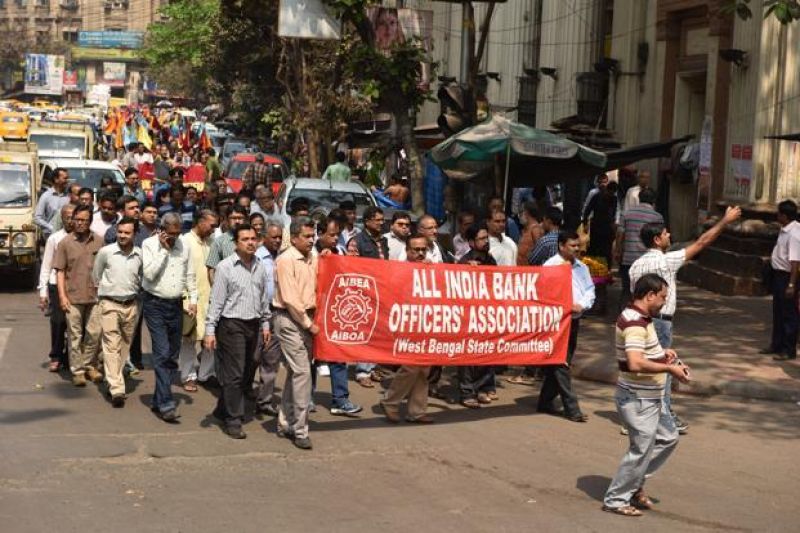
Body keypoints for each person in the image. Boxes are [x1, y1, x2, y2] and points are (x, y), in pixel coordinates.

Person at [629, 206, 742, 434]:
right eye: (666, 233)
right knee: (664, 370)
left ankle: (639, 416)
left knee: (646, 369)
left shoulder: (635, 266)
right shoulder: (667, 261)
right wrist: (725, 221)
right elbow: (701, 243)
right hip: (660, 323)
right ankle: (665, 417)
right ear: (657, 239)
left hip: (641, 321)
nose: (670, 236)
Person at [602, 274, 690, 517]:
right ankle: (617, 498)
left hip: (651, 397)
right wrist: (669, 368)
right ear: (650, 295)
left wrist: (663, 354)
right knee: (640, 449)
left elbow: (643, 353)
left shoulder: (642, 318)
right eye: (663, 297)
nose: (665, 302)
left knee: (669, 437)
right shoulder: (634, 323)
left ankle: (634, 482)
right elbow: (635, 362)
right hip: (638, 399)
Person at [204, 224, 271, 439]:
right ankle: (233, 419)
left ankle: (222, 408)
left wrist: (266, 324)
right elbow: (216, 301)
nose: (251, 242)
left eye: (253, 238)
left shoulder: (259, 265)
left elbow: (263, 298)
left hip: (253, 325)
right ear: (236, 243)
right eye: (245, 239)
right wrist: (210, 330)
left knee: (248, 369)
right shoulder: (225, 267)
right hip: (231, 325)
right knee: (234, 374)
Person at [142, 212, 197, 423]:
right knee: (162, 352)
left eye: (177, 233)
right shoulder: (149, 245)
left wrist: (193, 299)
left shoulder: (184, 246)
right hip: (154, 304)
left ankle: (158, 398)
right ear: (162, 229)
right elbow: (149, 275)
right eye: (170, 233)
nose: (174, 238)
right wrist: (164, 251)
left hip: (176, 305)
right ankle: (166, 404)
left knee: (172, 356)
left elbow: (189, 274)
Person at [538, 230, 595, 422]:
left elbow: (589, 290)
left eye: (578, 245)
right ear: (561, 246)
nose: (577, 249)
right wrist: (564, 305)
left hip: (574, 320)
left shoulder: (581, 267)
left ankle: (545, 400)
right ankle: (572, 408)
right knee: (560, 363)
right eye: (573, 245)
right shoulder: (550, 266)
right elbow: (544, 294)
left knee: (563, 361)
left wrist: (582, 304)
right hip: (557, 322)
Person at [273, 217, 319, 450]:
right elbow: (290, 298)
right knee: (302, 373)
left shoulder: (314, 257)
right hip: (290, 319)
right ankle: (300, 430)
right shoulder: (285, 260)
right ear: (294, 238)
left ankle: (285, 422)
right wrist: (308, 324)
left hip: (307, 318)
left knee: (296, 373)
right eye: (307, 236)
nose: (312, 240)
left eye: (313, 236)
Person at [380, 233, 435, 424]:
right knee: (411, 366)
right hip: (407, 325)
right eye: (416, 250)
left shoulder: (431, 268)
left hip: (427, 324)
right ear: (407, 251)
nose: (420, 253)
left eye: (423, 249)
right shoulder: (399, 270)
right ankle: (391, 401)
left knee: (423, 369)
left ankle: (417, 411)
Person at [312, 217, 363, 416]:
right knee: (311, 358)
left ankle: (340, 400)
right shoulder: (312, 253)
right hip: (314, 312)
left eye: (337, 235)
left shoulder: (340, 252)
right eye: (331, 235)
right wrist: (321, 262)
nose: (335, 239)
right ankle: (307, 398)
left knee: (338, 355)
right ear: (321, 234)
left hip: (335, 313)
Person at [92, 217, 142, 408]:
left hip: (131, 305)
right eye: (120, 232)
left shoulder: (140, 255)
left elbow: (142, 277)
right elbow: (96, 275)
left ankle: (112, 377)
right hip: (109, 303)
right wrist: (104, 296)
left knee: (124, 345)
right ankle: (117, 389)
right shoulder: (106, 252)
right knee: (111, 345)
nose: (122, 235)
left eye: (127, 233)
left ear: (134, 234)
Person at [53, 204, 104, 387]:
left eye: (85, 220)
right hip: (72, 297)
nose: (81, 223)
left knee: (94, 333)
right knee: (75, 336)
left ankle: (90, 366)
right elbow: (59, 272)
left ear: (90, 221)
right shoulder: (65, 243)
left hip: (95, 296)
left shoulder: (99, 241)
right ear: (73, 220)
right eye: (78, 219)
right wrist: (62, 296)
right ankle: (78, 371)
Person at [457, 224, 499, 408]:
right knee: (467, 355)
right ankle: (467, 392)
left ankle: (482, 388)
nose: (486, 241)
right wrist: (468, 270)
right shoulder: (464, 262)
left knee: (486, 352)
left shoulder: (490, 260)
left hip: (487, 314)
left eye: (486, 238)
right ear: (471, 242)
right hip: (468, 316)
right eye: (481, 239)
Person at [178, 210, 219, 392]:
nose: (214, 229)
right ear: (200, 222)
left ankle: (206, 374)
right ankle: (188, 375)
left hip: (211, 299)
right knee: (189, 339)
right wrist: (186, 300)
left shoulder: (213, 243)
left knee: (211, 337)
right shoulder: (184, 241)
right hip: (190, 300)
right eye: (211, 225)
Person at [38, 203, 75, 373]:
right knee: (58, 322)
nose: (70, 220)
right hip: (55, 285)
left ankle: (71, 357)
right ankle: (56, 355)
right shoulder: (54, 239)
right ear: (62, 218)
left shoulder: (82, 239)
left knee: (75, 324)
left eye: (73, 216)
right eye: (66, 217)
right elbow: (46, 267)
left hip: (75, 285)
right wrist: (43, 292)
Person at [762, 200, 800, 361]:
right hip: (778, 275)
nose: (777, 216)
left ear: (784, 216)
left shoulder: (794, 234)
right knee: (778, 311)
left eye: (779, 214)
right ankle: (776, 344)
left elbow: (795, 262)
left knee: (789, 314)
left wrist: (791, 284)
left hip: (787, 277)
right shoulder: (785, 230)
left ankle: (788, 348)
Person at [255, 222, 284, 416]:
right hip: (256, 315)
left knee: (271, 360)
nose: (278, 240)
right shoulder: (256, 258)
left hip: (276, 313)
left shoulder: (282, 258)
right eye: (274, 237)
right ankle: (240, 397)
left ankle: (265, 401)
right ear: (264, 237)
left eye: (280, 237)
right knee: (252, 358)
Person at [615, 188, 663, 307]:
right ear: (653, 201)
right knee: (647, 290)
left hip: (628, 258)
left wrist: (618, 251)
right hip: (649, 260)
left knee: (627, 289)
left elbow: (620, 234)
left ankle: (624, 316)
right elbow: (660, 240)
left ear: (639, 199)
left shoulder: (627, 214)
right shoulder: (657, 217)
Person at [206, 205, 248, 284]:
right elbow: (211, 270)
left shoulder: (252, 239)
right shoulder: (219, 242)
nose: (237, 221)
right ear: (227, 220)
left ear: (246, 219)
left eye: (240, 218)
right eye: (233, 218)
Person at [583, 178, 618, 266]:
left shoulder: (614, 199)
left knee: (606, 251)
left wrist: (613, 227)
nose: (610, 194)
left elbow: (613, 214)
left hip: (607, 229)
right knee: (595, 249)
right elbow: (587, 210)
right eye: (609, 192)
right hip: (597, 227)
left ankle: (606, 269)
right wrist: (585, 223)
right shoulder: (597, 196)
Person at [34, 167, 70, 237]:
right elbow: (37, 218)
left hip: (67, 236)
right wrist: (51, 228)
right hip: (51, 236)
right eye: (65, 178)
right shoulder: (46, 196)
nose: (67, 181)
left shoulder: (68, 196)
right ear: (56, 179)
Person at [517, 202, 543, 267]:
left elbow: (539, 252)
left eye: (521, 212)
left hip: (529, 271)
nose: (519, 216)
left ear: (526, 213)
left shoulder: (535, 230)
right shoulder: (525, 229)